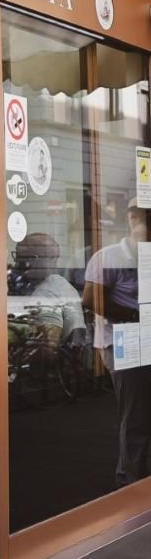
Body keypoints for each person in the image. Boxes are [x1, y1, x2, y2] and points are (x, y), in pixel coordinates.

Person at [83, 199, 151, 486]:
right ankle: (130, 485)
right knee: (135, 417)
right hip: (125, 342)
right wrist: (137, 314)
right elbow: (90, 299)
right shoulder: (109, 257)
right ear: (132, 219)